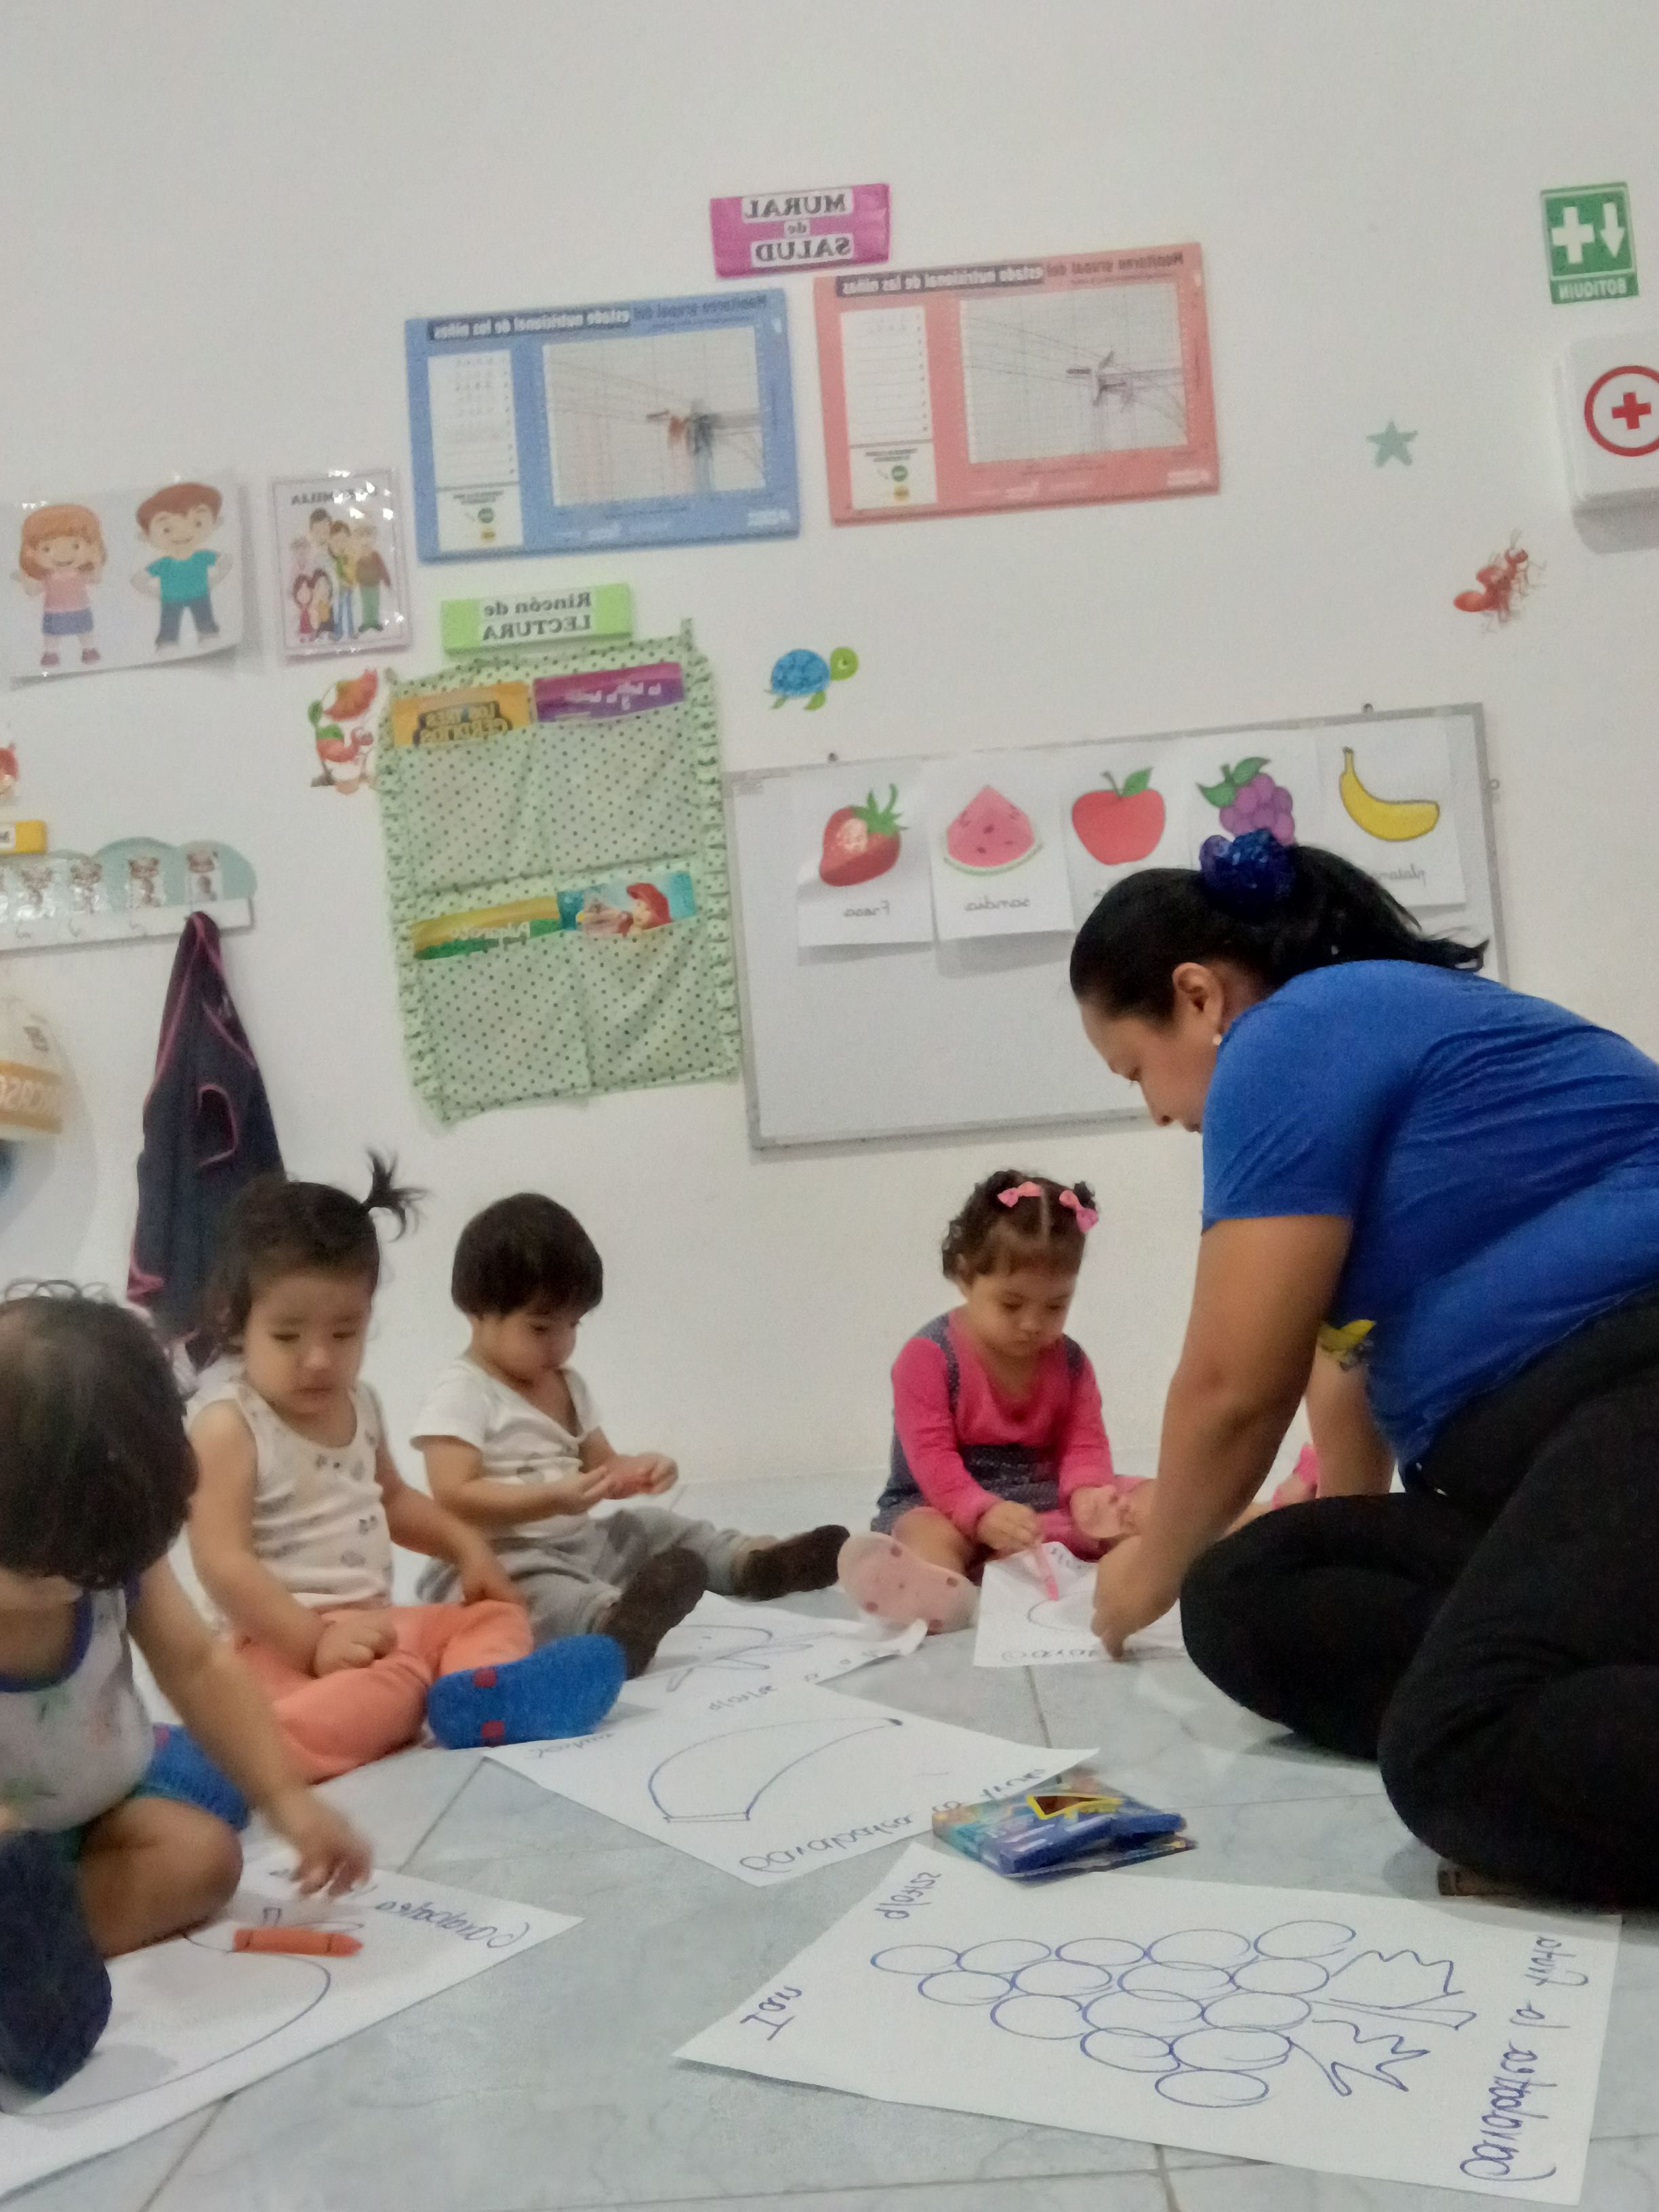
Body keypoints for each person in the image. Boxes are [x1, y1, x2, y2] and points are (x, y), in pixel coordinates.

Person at [1070, 826, 1659, 1905]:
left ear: (1198, 996)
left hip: (1632, 1381)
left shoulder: (1288, 1035)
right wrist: (1229, 1548)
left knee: (1455, 1747)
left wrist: (1142, 1574)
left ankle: (1518, 1724)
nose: (1155, 1110)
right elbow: (1340, 1369)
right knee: (1246, 1590)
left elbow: (1234, 1390)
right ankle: (1566, 1701)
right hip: (1545, 1458)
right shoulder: (1365, 1030)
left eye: (1137, 1069)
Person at [0, 1290, 369, 2097]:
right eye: (42, 1577)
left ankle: (33, 1943)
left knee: (205, 1859)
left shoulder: (102, 1549)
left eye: (93, 1572)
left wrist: (285, 1797)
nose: (73, 1591)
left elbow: (200, 1664)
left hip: (98, 1819)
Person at [186, 1160, 625, 1780]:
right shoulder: (229, 1426)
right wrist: (313, 1642)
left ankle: (483, 1693)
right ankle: (234, 1755)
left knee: (496, 1612)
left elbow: (392, 1499)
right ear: (237, 1322)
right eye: (287, 1336)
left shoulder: (358, 1404)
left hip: (367, 1627)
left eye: (345, 1333)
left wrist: (468, 1549)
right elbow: (222, 1563)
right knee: (394, 1689)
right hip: (271, 1644)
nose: (319, 1359)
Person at [413, 1193, 847, 1676]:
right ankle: (611, 1626)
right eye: (540, 1328)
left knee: (654, 1527)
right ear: (477, 1312)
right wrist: (550, 1498)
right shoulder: (464, 1391)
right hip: (501, 1556)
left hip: (582, 1545)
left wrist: (637, 1469)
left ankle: (752, 1564)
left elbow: (603, 1462)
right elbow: (453, 1493)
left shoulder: (565, 1385)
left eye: (573, 1325)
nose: (561, 1344)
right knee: (534, 1595)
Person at [838, 1170, 1147, 1633]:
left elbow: (1084, 1444)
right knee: (925, 1536)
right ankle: (931, 1592)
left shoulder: (1071, 1362)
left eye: (1056, 1306)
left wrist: (1088, 1495)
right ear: (965, 1277)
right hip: (942, 1503)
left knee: (1147, 1501)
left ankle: (1204, 1539)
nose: (1033, 1324)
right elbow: (932, 1461)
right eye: (1011, 1304)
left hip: (1044, 1503)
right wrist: (980, 1514)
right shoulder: (928, 1357)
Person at [130, 482, 232, 650]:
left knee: (205, 622)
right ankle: (168, 642)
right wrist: (157, 593)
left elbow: (226, 561)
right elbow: (138, 580)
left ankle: (204, 635)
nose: (182, 533)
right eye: (167, 529)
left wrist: (215, 580)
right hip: (173, 599)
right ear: (146, 536)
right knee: (170, 627)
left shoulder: (201, 556)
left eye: (197, 523)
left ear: (216, 523)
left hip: (198, 595)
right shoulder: (164, 564)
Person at [14, 504, 105, 669]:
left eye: (75, 546)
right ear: (32, 553)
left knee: (85, 631)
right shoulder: (48, 578)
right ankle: (51, 653)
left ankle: (89, 650)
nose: (63, 555)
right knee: (52, 634)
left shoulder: (79, 574)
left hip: (80, 608)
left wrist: (97, 563)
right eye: (47, 549)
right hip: (54, 611)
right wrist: (25, 577)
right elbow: (33, 591)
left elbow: (95, 579)